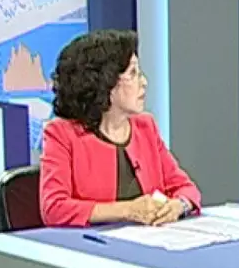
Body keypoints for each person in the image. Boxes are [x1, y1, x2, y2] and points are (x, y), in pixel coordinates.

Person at [39, 29, 201, 228]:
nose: (144, 82)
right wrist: (127, 210)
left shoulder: (145, 127)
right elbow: (54, 208)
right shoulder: (61, 134)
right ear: (105, 82)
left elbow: (186, 188)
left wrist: (179, 205)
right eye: (133, 73)